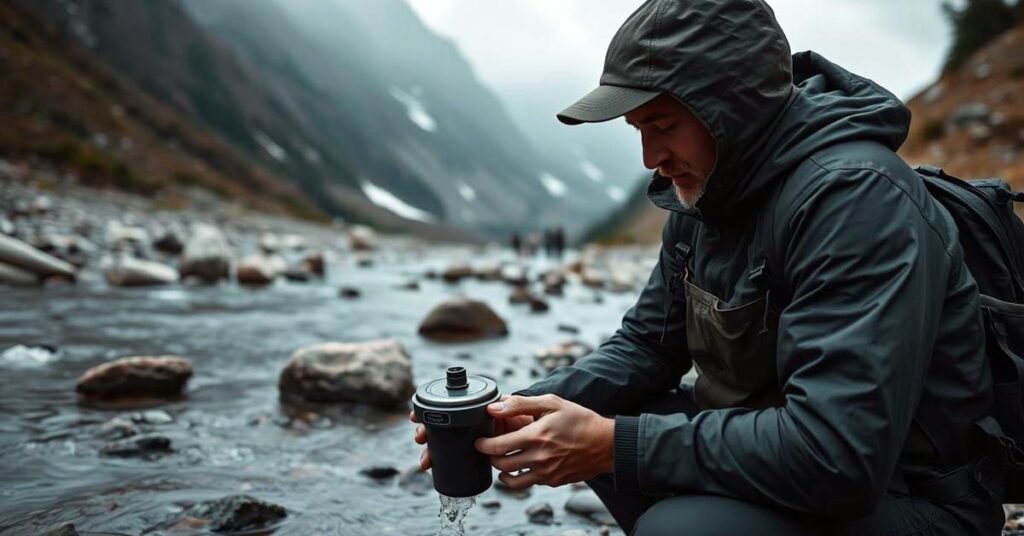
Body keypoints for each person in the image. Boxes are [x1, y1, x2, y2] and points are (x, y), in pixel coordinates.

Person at [413, 0, 1006, 533]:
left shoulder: (857, 200)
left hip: (913, 497)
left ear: (734, 108)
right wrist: (508, 413)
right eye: (638, 130)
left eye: (663, 126)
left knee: (680, 522)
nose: (652, 158)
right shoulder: (706, 192)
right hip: (787, 454)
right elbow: (646, 346)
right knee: (598, 423)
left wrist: (612, 446)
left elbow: (838, 454)